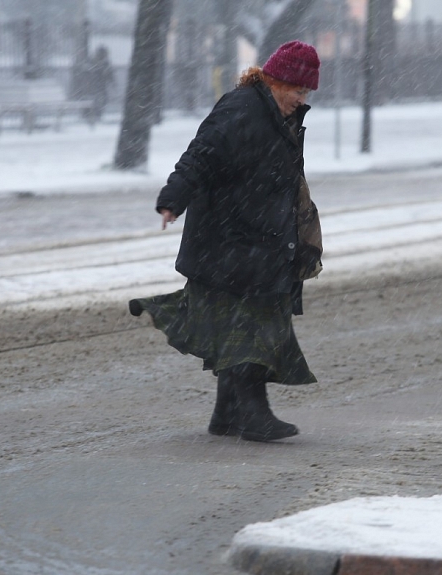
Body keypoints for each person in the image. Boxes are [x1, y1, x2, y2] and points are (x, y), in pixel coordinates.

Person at [128, 40, 323, 442]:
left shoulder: (276, 114)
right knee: (252, 329)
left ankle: (227, 414)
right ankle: (252, 415)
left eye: (307, 93)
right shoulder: (242, 110)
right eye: (298, 91)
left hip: (254, 240)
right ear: (275, 80)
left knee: (245, 324)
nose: (302, 100)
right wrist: (173, 198)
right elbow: (200, 155)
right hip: (231, 240)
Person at [84, 45, 115, 123]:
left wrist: (111, 81)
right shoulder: (93, 61)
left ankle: (97, 114)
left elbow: (109, 73)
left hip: (101, 85)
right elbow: (90, 72)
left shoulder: (105, 62)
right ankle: (91, 115)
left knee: (101, 100)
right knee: (95, 100)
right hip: (94, 85)